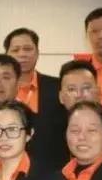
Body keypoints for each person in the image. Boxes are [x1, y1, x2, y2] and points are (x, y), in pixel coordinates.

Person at [4, 29, 66, 172]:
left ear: (37, 52)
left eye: (28, 49)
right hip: (8, 169)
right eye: (15, 50)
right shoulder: (0, 90)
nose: (22, 54)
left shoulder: (58, 87)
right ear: (7, 55)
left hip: (51, 171)